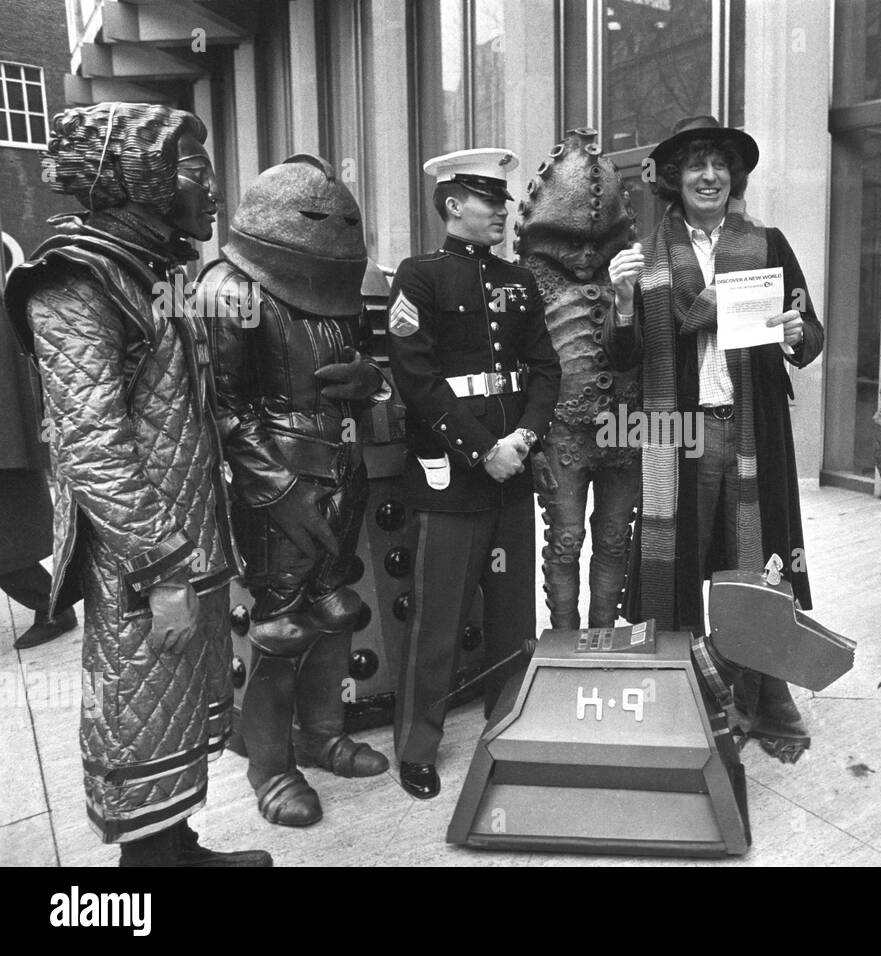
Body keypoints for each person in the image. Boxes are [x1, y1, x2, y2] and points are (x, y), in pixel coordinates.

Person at [3, 102, 270, 865]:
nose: (214, 190)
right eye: (195, 170)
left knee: (176, 714)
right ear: (137, 176)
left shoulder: (145, 270)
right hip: (144, 559)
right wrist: (159, 570)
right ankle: (147, 872)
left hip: (185, 537)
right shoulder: (74, 280)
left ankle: (178, 847)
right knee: (139, 714)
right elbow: (92, 447)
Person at [605, 115, 825, 763]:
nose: (708, 175)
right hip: (677, 437)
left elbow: (809, 332)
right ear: (674, 179)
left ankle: (764, 688)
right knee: (678, 568)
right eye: (696, 164)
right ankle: (685, 692)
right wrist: (621, 303)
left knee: (753, 563)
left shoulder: (769, 245)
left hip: (751, 431)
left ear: (733, 177)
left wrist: (793, 333)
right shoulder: (643, 258)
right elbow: (624, 358)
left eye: (719, 165)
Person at [194, 154, 391, 827]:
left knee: (336, 610)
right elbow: (224, 407)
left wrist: (369, 379)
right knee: (281, 626)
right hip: (275, 481)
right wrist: (275, 487)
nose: (332, 223)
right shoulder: (229, 289)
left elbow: (361, 365)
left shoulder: (335, 289)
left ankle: (320, 733)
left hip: (339, 469)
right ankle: (270, 767)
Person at [386, 148, 560, 798]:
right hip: (454, 478)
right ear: (454, 203)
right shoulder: (420, 277)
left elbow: (545, 369)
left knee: (513, 614)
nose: (505, 210)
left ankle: (507, 723)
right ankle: (418, 747)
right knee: (438, 618)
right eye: (491, 199)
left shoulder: (520, 279)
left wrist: (524, 437)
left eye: (506, 199)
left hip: (513, 470)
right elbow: (418, 382)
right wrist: (484, 448)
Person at [515, 128, 640, 630]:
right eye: (572, 243)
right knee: (565, 541)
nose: (587, 256)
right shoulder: (531, 288)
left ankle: (604, 634)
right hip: (562, 434)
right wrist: (532, 441)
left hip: (627, 434)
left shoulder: (632, 281)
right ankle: (565, 638)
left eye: (597, 244)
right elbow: (523, 368)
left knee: (614, 540)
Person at [0, 303, 77, 649]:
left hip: (7, 450)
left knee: (8, 546)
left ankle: (52, 606)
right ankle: (52, 605)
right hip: (9, 445)